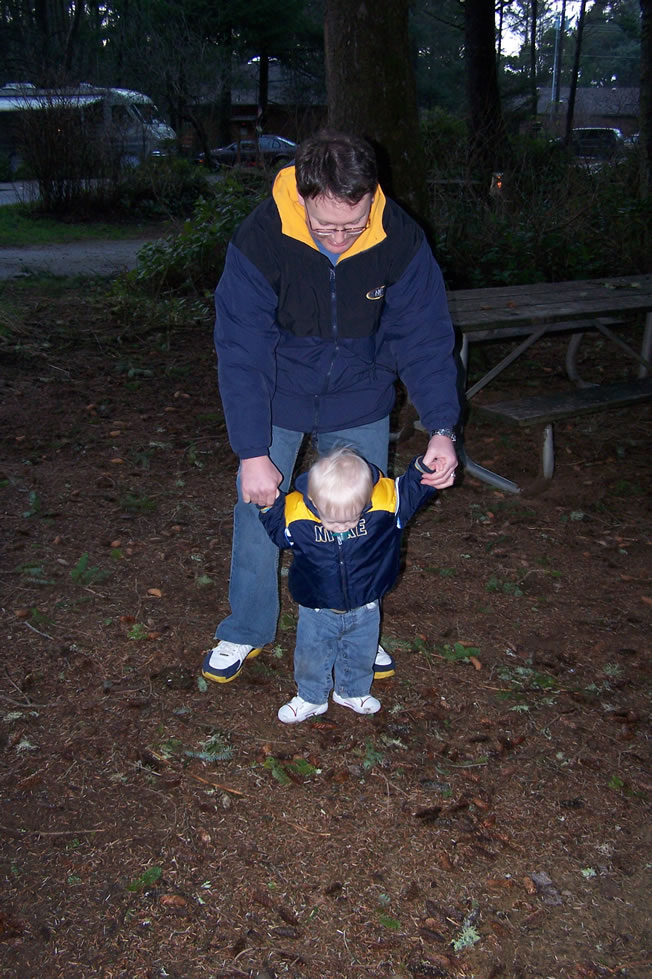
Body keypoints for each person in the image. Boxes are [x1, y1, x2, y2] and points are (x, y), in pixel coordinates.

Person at [201, 129, 459, 686]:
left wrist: (442, 426)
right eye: (325, 227)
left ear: (372, 195)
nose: (340, 239)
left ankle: (357, 629)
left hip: (360, 392)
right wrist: (252, 452)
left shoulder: (398, 236)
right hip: (277, 393)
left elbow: (424, 334)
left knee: (366, 518)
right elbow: (242, 350)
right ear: (303, 196)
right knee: (257, 509)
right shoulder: (262, 238)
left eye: (353, 224)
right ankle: (246, 628)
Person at [258, 447, 437, 723]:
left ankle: (352, 691)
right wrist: (267, 507)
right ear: (314, 500)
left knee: (361, 650)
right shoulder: (296, 513)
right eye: (331, 520)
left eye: (352, 519)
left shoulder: (385, 505)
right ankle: (311, 696)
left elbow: (412, 489)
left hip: (366, 603)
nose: (342, 527)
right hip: (317, 606)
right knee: (312, 653)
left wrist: (424, 468)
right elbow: (279, 533)